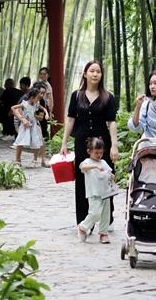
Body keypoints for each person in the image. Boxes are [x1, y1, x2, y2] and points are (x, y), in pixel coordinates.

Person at [60, 60, 119, 225]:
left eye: (98, 72)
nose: (95, 74)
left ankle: (107, 219)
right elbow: (71, 119)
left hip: (102, 144)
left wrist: (114, 145)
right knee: (82, 179)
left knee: (106, 177)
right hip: (82, 143)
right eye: (92, 71)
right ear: (85, 74)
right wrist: (64, 143)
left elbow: (111, 122)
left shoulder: (108, 97)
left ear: (101, 75)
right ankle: (83, 220)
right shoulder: (76, 95)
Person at [77, 136, 113, 244]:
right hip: (94, 193)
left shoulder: (103, 162)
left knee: (105, 214)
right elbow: (83, 168)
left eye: (101, 152)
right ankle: (83, 227)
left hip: (105, 192)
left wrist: (111, 176)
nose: (99, 155)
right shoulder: (87, 162)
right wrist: (95, 167)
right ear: (89, 151)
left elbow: (109, 173)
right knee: (95, 213)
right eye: (96, 152)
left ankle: (103, 233)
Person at [11, 87, 49, 168]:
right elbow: (13, 108)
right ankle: (17, 160)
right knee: (20, 141)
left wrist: (46, 114)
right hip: (25, 125)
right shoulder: (24, 103)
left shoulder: (36, 103)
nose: (39, 99)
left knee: (36, 141)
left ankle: (35, 160)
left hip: (33, 124)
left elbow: (43, 109)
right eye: (37, 97)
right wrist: (22, 119)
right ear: (32, 97)